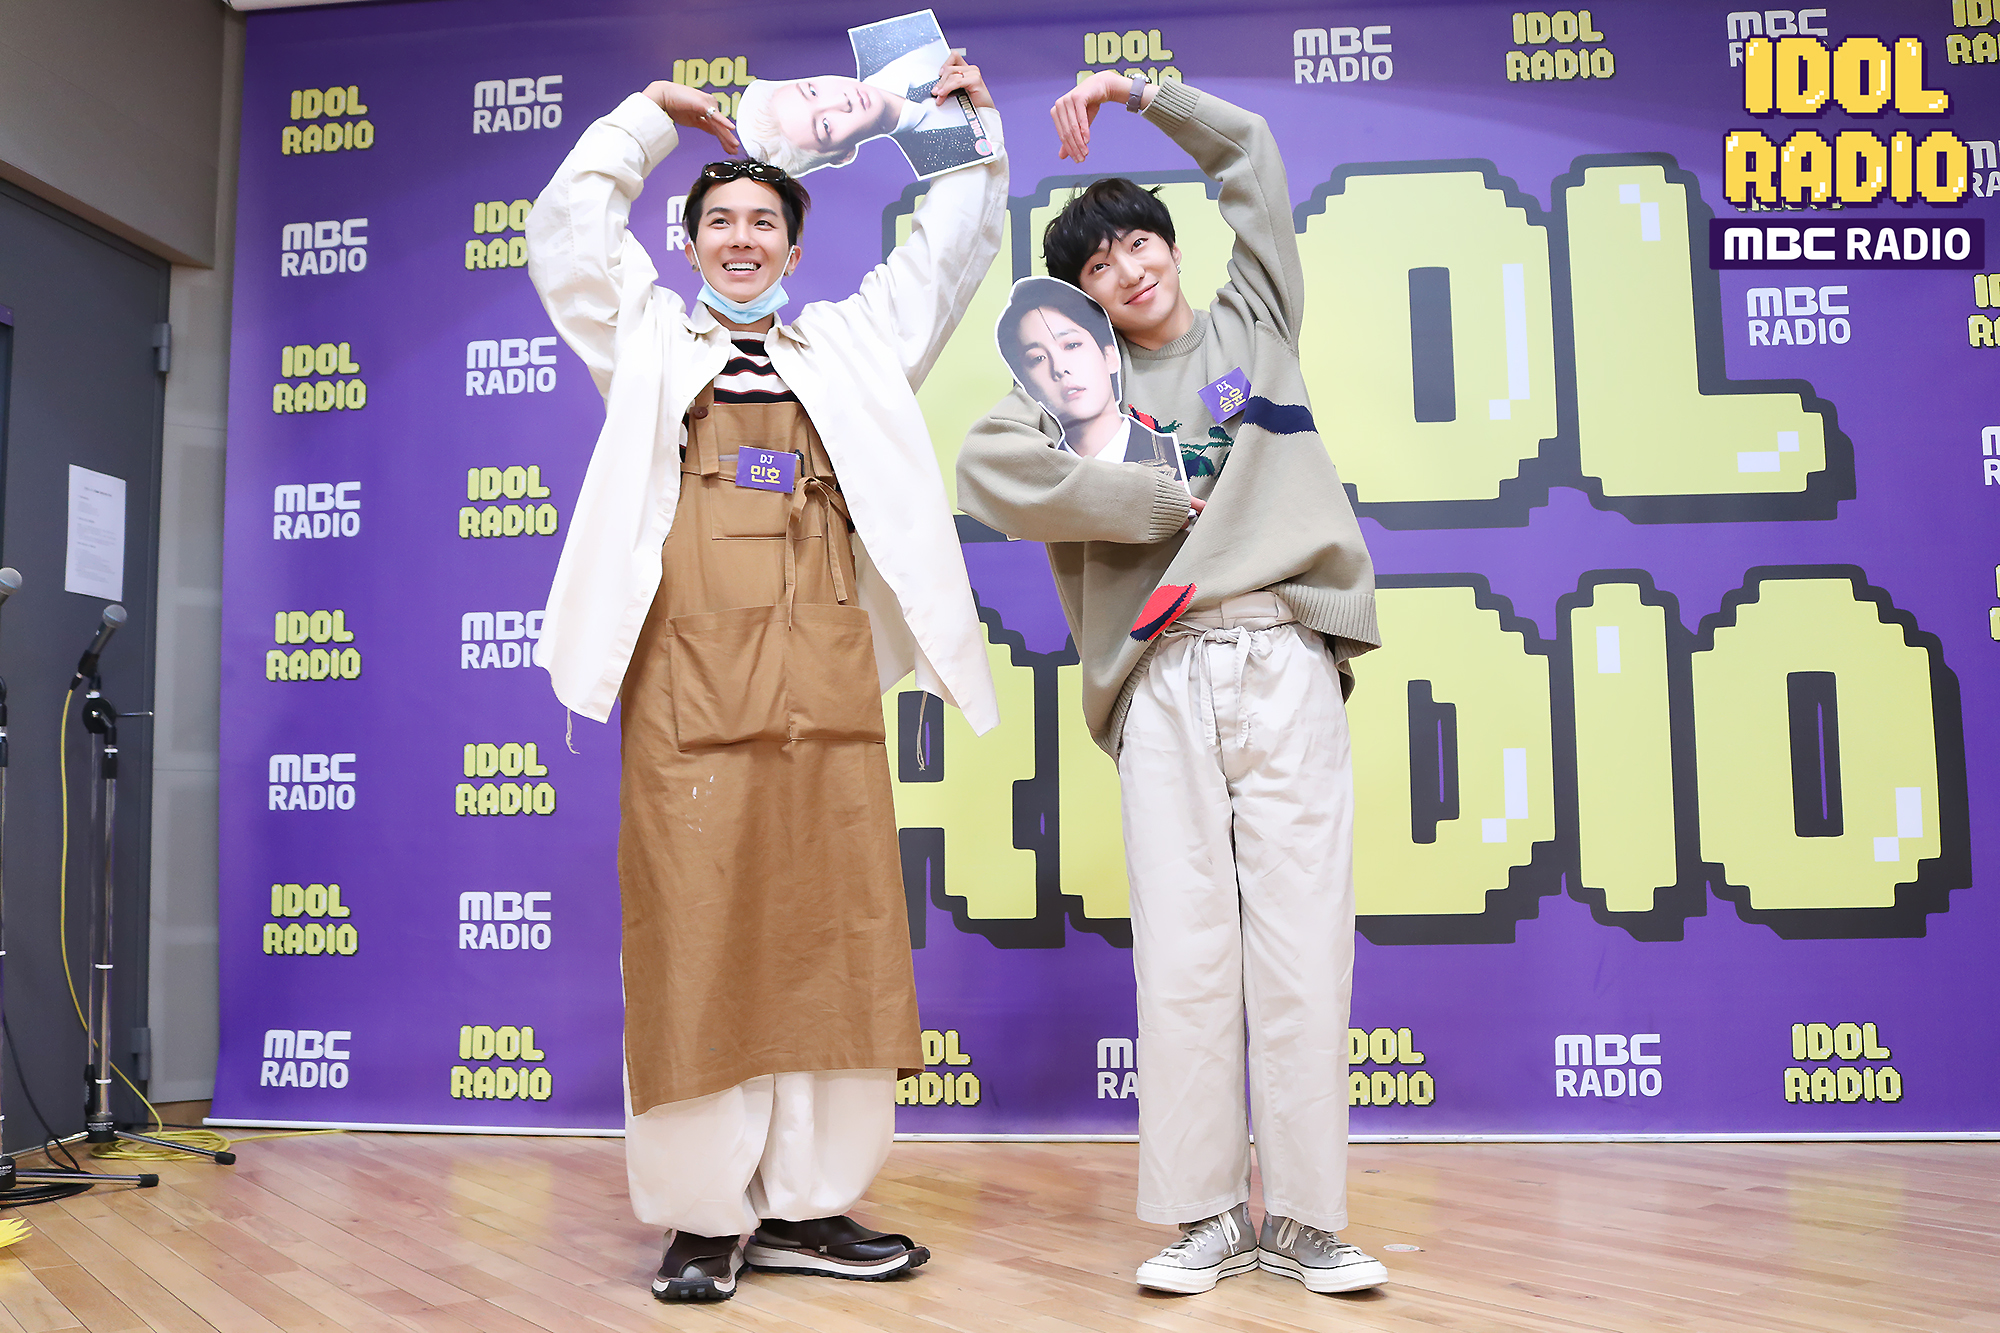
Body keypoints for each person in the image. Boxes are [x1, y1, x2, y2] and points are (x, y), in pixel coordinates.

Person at [525, 55, 1008, 1303]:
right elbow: (568, 227)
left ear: (794, 246)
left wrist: (954, 122)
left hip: (824, 685)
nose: (741, 239)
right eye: (720, 222)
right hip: (683, 694)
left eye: (763, 223)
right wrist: (646, 120)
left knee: (834, 937)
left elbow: (950, 251)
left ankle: (807, 1205)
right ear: (688, 242)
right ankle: (704, 1216)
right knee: (695, 940)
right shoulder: (642, 339)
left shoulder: (851, 346)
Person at [955, 72, 1387, 1298]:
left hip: (1284, 653)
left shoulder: (1256, 322)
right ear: (1081, 302)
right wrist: (1141, 497)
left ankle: (1305, 1220)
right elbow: (983, 466)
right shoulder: (1073, 394)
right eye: (1097, 268)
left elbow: (1249, 154)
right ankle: (1205, 1215)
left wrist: (1140, 95)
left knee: (1303, 944)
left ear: (1170, 245)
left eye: (1137, 244)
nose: (1127, 271)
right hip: (1161, 678)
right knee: (1187, 955)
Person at [737, 19, 994, 178]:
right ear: (843, 155)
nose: (842, 102)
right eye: (825, 126)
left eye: (812, 91)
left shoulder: (885, 37)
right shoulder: (940, 157)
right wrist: (986, 110)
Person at [996, 278, 1183, 481]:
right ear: (1027, 384)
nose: (1059, 368)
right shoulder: (1033, 483)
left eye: (1072, 345)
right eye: (1037, 359)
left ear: (1110, 355)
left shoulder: (1177, 454)